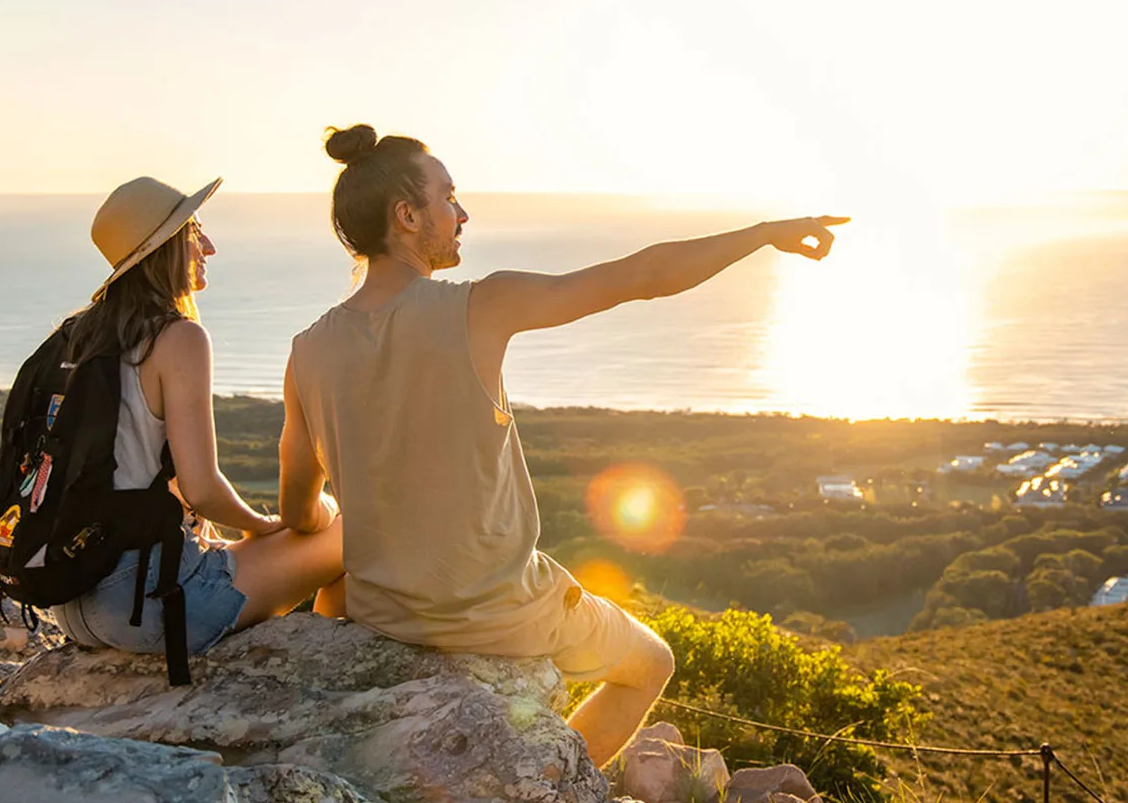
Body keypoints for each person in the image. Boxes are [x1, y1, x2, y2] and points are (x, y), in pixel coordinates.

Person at [281, 124, 846, 765]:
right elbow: (643, 275)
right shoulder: (479, 307)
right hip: (499, 611)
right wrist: (764, 234)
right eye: (448, 198)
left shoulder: (307, 352)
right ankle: (555, 777)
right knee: (652, 661)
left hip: (380, 612)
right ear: (406, 216)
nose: (462, 213)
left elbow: (299, 512)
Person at [47, 175, 348, 656]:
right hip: (148, 602)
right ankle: (329, 670)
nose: (208, 245)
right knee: (343, 529)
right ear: (163, 249)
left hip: (71, 600)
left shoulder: (80, 335)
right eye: (194, 232)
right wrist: (262, 525)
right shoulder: (177, 337)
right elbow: (203, 488)